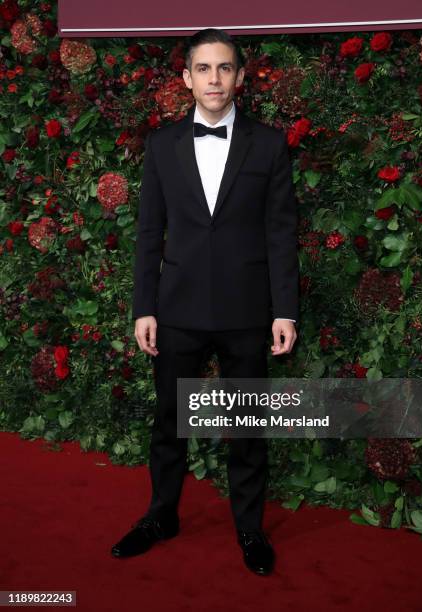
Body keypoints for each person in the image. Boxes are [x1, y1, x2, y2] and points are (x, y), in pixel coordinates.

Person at [111, 28, 299, 576]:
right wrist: (144, 307)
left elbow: (280, 233)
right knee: (170, 422)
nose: (214, 79)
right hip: (177, 310)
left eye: (224, 68)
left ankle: (249, 527)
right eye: (203, 69)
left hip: (248, 310)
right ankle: (161, 516)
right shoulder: (160, 145)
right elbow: (150, 233)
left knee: (247, 427)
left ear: (240, 77)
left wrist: (284, 310)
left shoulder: (269, 144)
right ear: (186, 78)